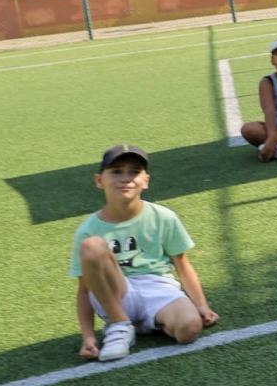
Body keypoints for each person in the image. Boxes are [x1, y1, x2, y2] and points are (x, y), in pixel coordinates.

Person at [72, 144, 219, 362]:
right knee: (93, 246)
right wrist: (88, 337)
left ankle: (144, 323)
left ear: (146, 181)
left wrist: (201, 305)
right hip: (115, 292)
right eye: (116, 171)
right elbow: (84, 289)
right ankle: (120, 323)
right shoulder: (88, 229)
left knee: (189, 329)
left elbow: (183, 265)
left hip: (158, 287)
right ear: (99, 181)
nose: (125, 178)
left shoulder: (164, 217)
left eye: (134, 171)